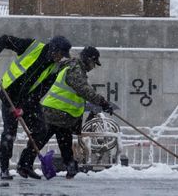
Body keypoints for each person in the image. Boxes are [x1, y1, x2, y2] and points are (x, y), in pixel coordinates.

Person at [16, 46, 112, 179]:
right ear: (87, 59)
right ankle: (25, 165)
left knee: (63, 142)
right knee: (41, 139)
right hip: (54, 112)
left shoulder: (75, 68)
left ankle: (69, 167)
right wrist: (102, 102)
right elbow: (83, 89)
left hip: (63, 115)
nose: (93, 66)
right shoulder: (75, 69)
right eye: (93, 63)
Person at [0, 34, 72, 180]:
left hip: (28, 100)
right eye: (60, 54)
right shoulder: (32, 46)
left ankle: (25, 165)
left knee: (41, 130)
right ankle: (4, 169)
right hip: (9, 96)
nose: (60, 58)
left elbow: (41, 91)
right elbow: (6, 39)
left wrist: (24, 108)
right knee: (9, 133)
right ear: (53, 49)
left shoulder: (54, 68)